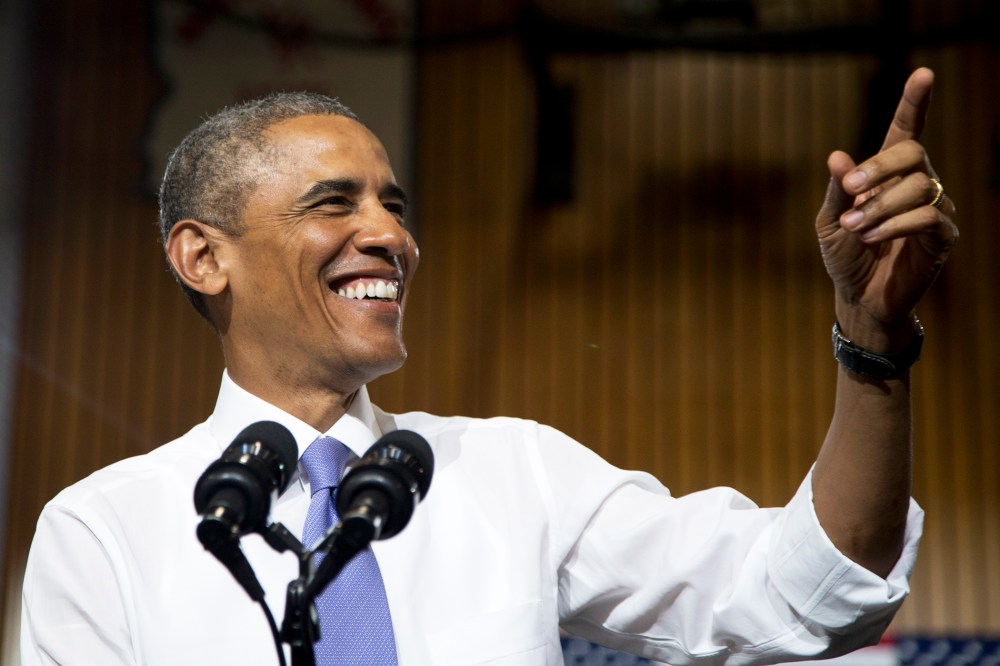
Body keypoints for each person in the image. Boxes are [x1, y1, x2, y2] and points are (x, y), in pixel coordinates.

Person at [20, 67, 957, 665]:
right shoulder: (103, 534)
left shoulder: (514, 475)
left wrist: (871, 340)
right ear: (203, 257)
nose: (390, 235)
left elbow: (805, 593)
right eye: (333, 203)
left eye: (394, 202)